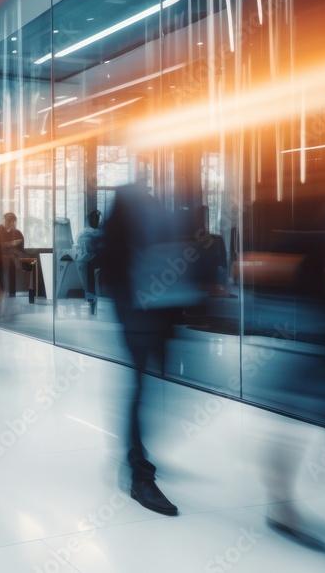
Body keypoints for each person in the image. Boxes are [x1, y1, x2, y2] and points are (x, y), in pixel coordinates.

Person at [100, 180, 202, 516]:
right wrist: (132, 313)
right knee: (140, 389)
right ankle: (138, 471)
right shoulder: (129, 204)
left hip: (161, 314)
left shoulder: (161, 203)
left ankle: (139, 454)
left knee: (152, 391)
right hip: (140, 316)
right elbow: (114, 266)